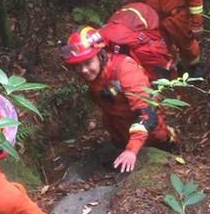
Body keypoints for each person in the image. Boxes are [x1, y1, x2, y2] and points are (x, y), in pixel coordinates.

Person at [61, 27, 178, 173]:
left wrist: (131, 150)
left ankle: (170, 146)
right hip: (119, 130)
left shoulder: (125, 69)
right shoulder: (95, 74)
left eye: (88, 62)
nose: (83, 70)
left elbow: (147, 113)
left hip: (148, 132)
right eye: (78, 65)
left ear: (101, 54)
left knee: (159, 147)